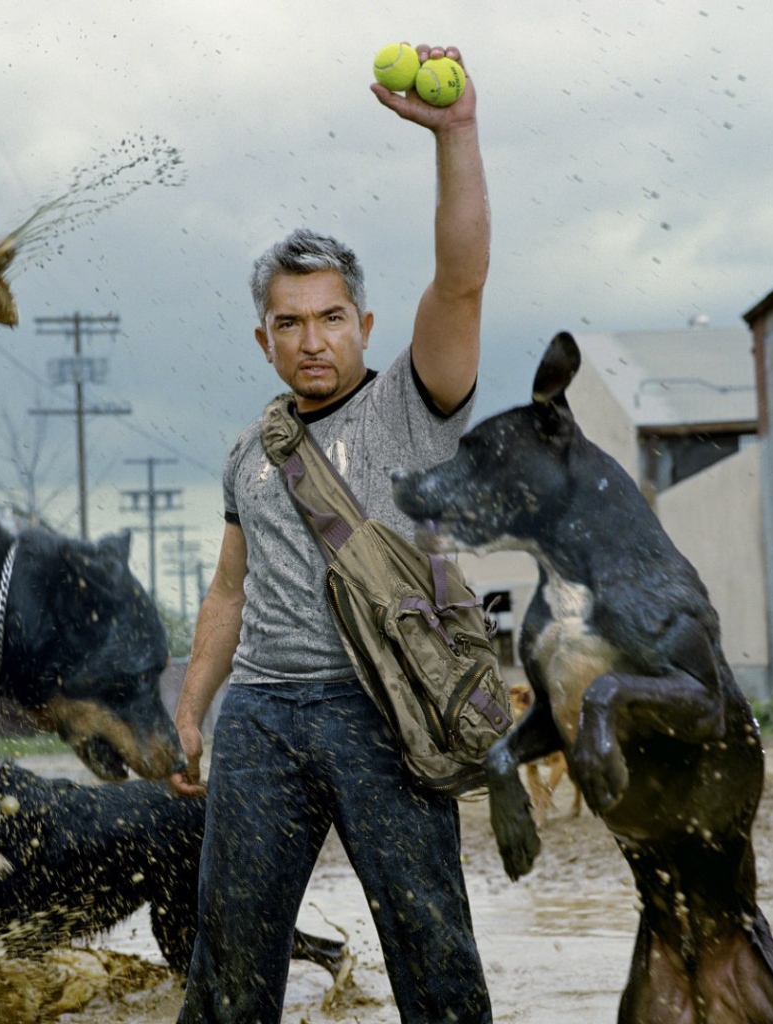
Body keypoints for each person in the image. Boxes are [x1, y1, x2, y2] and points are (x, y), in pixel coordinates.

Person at [172, 43, 492, 1023]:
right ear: (262, 337)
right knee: (227, 966)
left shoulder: (410, 405)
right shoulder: (247, 449)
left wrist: (456, 134)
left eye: (331, 317)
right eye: (290, 322)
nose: (313, 339)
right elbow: (228, 592)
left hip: (380, 712)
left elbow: (463, 276)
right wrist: (192, 714)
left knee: (432, 956)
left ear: (363, 321)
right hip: (262, 718)